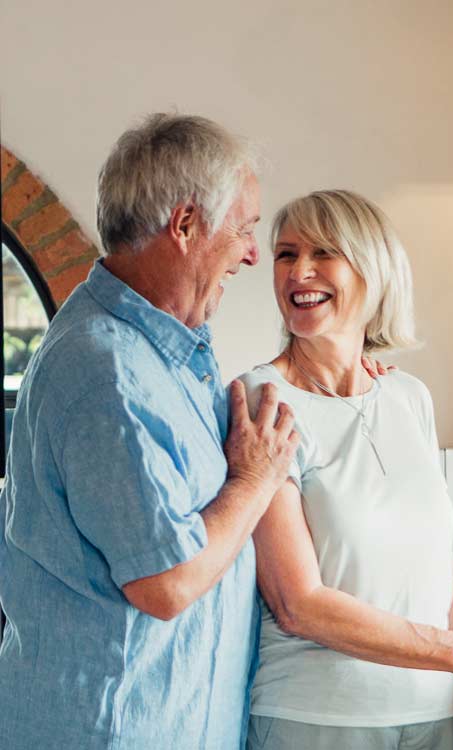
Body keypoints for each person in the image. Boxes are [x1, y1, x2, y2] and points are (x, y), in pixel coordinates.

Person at [0, 114, 303, 750]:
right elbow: (167, 584)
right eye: (245, 229)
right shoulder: (106, 372)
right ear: (186, 225)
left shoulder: (165, 351)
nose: (252, 253)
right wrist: (255, 478)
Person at [241, 190, 453, 750]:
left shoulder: (409, 397)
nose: (299, 271)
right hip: (319, 720)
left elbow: (439, 579)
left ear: (373, 269)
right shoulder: (263, 398)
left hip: (437, 714)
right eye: (286, 254)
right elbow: (298, 604)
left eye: (323, 251)